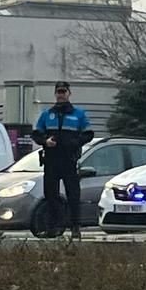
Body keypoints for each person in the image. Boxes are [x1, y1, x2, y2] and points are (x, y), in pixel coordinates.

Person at [32, 81, 94, 240]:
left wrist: (74, 142)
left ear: (68, 93)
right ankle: (52, 227)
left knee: (73, 195)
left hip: (69, 160)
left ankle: (75, 227)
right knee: (50, 195)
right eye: (58, 92)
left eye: (63, 92)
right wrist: (45, 142)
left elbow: (89, 134)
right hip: (51, 160)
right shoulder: (47, 114)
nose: (61, 95)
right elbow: (36, 134)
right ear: (55, 94)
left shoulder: (78, 114)